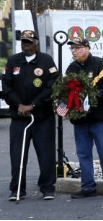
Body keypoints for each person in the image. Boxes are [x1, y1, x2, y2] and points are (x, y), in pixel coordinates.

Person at [2, 30, 59, 201]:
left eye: (28, 41)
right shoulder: (13, 61)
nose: (25, 44)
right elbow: (6, 87)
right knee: (17, 155)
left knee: (46, 154)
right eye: (23, 41)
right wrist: (18, 104)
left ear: (36, 44)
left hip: (42, 117)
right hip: (20, 118)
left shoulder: (46, 61)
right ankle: (17, 189)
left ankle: (47, 188)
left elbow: (53, 85)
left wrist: (33, 105)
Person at [65, 37, 103, 200]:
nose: (74, 51)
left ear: (86, 48)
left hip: (99, 118)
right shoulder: (71, 69)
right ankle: (88, 187)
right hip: (80, 120)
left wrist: (94, 96)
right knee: (83, 154)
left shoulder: (101, 65)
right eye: (72, 49)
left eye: (77, 48)